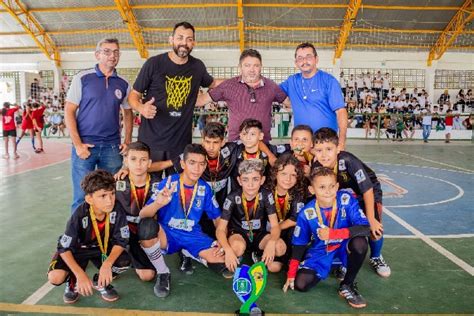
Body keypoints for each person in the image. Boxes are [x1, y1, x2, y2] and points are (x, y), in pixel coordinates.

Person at [138, 144, 228, 297]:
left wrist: (222, 240)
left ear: (205, 165)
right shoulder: (168, 183)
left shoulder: (204, 188)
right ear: (183, 164)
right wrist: (158, 203)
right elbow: (143, 214)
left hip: (192, 235)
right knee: (146, 228)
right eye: (192, 163)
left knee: (223, 263)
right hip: (168, 234)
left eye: (201, 164)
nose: (197, 169)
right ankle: (163, 273)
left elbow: (218, 218)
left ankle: (187, 251)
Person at [129, 21, 220, 165]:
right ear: (171, 39)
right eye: (180, 37)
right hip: (151, 141)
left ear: (193, 43)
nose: (184, 43)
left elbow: (214, 84)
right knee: (151, 185)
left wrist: (242, 80)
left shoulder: (197, 67)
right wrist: (141, 108)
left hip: (180, 144)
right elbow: (133, 95)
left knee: (179, 186)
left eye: (189, 39)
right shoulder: (153, 64)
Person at [283, 167, 370, 309]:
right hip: (322, 250)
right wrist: (291, 273)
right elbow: (299, 244)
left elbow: (366, 228)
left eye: (331, 186)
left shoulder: (346, 200)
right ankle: (333, 266)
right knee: (300, 284)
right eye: (322, 187)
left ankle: (347, 284)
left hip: (344, 244)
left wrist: (334, 234)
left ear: (337, 187)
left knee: (360, 243)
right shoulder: (306, 213)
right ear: (312, 190)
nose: (328, 191)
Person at [311, 128, 391, 278]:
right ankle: (344, 261)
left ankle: (376, 257)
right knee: (342, 225)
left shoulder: (348, 161)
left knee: (374, 228)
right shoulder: (317, 167)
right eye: (319, 150)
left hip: (367, 193)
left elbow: (367, 189)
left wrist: (371, 218)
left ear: (337, 148)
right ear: (313, 151)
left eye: (329, 149)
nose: (324, 154)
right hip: (345, 198)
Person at [65, 38, 133, 212]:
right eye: (107, 51)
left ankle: (109, 233)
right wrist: (78, 145)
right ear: (97, 55)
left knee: (111, 194)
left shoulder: (123, 83)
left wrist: (127, 141)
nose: (112, 55)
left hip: (112, 148)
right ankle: (79, 236)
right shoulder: (82, 78)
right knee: (82, 197)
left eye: (116, 52)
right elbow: (69, 111)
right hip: (86, 147)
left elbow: (128, 112)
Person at [47, 170, 130, 304]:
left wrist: (107, 265)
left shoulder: (117, 208)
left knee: (124, 261)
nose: (110, 200)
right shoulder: (79, 215)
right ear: (89, 199)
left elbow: (121, 240)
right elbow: (64, 247)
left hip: (100, 248)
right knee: (55, 278)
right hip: (77, 249)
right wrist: (80, 274)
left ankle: (101, 281)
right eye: (103, 196)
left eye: (112, 194)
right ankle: (72, 281)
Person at [196, 49, 287, 143]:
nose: (252, 70)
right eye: (247, 65)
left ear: (261, 67)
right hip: (236, 143)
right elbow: (201, 101)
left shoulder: (271, 86)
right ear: (240, 67)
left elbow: (290, 102)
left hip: (263, 143)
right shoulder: (228, 85)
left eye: (256, 65)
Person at [114, 142, 171, 292]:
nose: (138, 164)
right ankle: (127, 254)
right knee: (121, 261)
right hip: (124, 233)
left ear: (150, 163)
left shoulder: (159, 184)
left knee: (147, 275)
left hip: (147, 233)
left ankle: (143, 253)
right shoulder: (116, 183)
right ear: (126, 162)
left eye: (143, 160)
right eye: (133, 159)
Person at [216, 159, 285, 273]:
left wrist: (272, 243)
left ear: (262, 180)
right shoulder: (232, 197)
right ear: (239, 181)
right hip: (239, 234)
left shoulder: (266, 195)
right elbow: (221, 229)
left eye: (255, 179)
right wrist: (228, 250)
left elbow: (275, 226)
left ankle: (258, 254)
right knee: (236, 248)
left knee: (278, 255)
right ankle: (238, 255)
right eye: (245, 179)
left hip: (259, 235)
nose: (250, 184)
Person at [280, 42, 347, 150]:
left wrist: (342, 142)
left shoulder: (329, 81)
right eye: (300, 58)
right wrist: (286, 102)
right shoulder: (291, 81)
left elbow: (341, 112)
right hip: (302, 145)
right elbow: (273, 93)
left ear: (316, 59)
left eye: (308, 57)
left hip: (325, 143)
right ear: (296, 63)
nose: (304, 61)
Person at [265, 154, 308, 272]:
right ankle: (261, 253)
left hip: (285, 230)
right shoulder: (266, 190)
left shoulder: (299, 192)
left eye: (293, 175)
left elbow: (295, 218)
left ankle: (291, 257)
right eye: (283, 174)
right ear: (275, 174)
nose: (288, 179)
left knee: (297, 230)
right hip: (268, 231)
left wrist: (277, 228)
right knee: (273, 268)